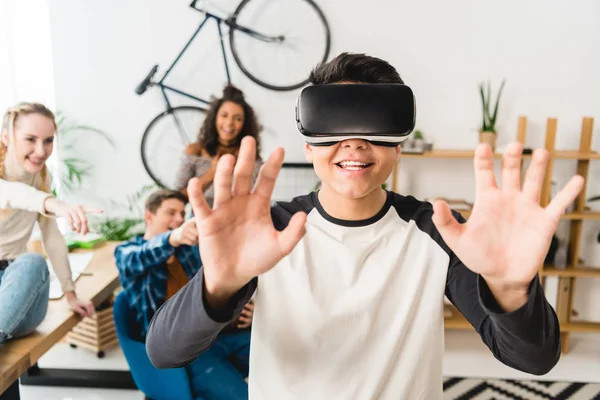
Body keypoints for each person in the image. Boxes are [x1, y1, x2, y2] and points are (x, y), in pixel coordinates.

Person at [144, 53, 584, 400]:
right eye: (335, 125)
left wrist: (508, 289)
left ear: (398, 147)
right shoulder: (270, 230)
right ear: (309, 142)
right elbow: (164, 353)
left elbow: (534, 361)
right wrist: (218, 286)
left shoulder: (438, 232)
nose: (353, 142)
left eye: (373, 127)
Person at [114, 189, 253, 399]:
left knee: (276, 348)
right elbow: (138, 256)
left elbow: (214, 287)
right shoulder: (128, 251)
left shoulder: (188, 251)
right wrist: (172, 238)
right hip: (180, 352)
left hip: (214, 337)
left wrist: (244, 309)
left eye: (181, 213)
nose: (179, 219)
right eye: (171, 213)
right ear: (149, 216)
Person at [0, 102, 100, 347]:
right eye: (30, 139)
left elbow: (52, 238)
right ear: (7, 138)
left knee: (32, 262)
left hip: (17, 296)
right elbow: (11, 193)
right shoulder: (15, 186)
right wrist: (55, 204)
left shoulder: (42, 177)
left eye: (48, 141)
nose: (41, 151)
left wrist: (71, 294)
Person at [174, 84, 263, 206]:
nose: (229, 123)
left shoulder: (249, 158)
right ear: (215, 118)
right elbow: (177, 198)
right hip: (200, 215)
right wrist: (213, 171)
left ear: (244, 124)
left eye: (237, 118)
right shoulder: (195, 151)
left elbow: (252, 198)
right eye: (224, 115)